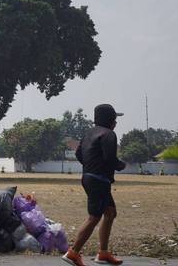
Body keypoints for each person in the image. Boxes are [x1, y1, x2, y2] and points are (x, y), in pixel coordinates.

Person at [62, 104, 126, 266]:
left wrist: (90, 166)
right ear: (110, 120)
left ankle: (103, 253)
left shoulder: (89, 133)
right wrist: (121, 165)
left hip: (90, 177)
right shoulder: (109, 134)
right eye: (115, 119)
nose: (116, 122)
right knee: (94, 217)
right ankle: (73, 253)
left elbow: (78, 153)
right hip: (99, 180)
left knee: (110, 212)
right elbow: (110, 159)